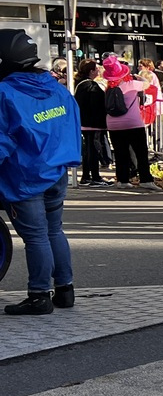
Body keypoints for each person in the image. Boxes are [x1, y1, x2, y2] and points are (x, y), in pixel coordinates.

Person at [0, 30, 80, 315]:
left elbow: (3, 140)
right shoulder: (55, 87)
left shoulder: (5, 92)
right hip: (55, 171)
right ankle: (65, 290)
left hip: (25, 176)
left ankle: (39, 296)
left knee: (35, 237)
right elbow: (71, 126)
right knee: (53, 230)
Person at [103, 55, 155, 186]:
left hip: (113, 125)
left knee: (120, 153)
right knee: (141, 153)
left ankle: (122, 180)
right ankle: (145, 179)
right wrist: (139, 77)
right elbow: (147, 84)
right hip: (133, 123)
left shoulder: (109, 89)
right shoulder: (132, 84)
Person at [73, 59, 108, 186]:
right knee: (93, 149)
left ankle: (86, 176)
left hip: (84, 121)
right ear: (91, 71)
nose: (99, 70)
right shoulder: (91, 86)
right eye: (96, 68)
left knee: (88, 149)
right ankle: (95, 177)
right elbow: (97, 104)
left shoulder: (80, 84)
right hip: (93, 122)